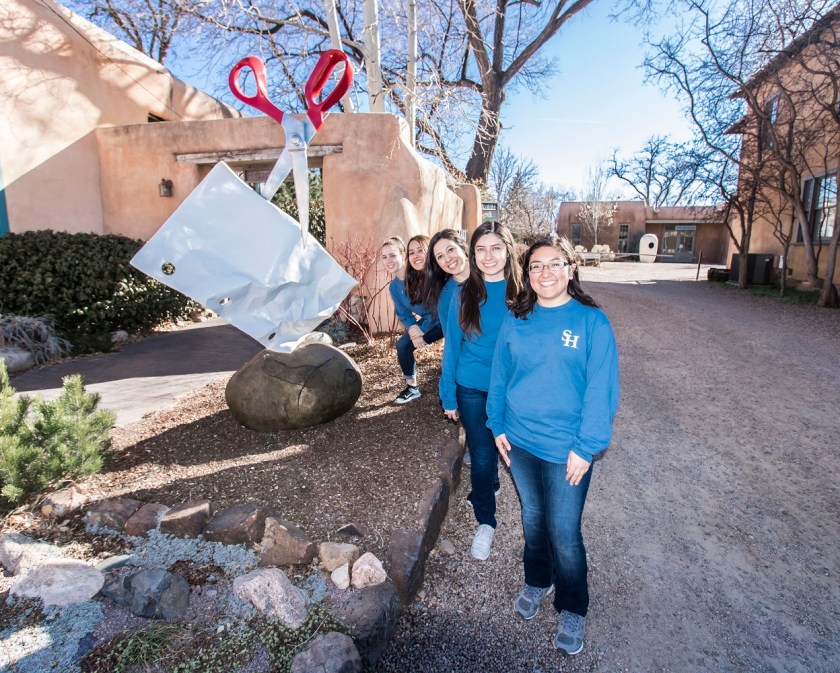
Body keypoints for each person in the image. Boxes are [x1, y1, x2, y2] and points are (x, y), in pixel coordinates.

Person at [486, 234, 619, 656]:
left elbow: (602, 389)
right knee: (532, 520)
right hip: (520, 441)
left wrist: (587, 446)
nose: (546, 272)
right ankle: (538, 581)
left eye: (555, 263)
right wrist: (496, 423)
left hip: (568, 448)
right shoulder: (516, 318)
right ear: (527, 275)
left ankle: (573, 605)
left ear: (571, 269)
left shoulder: (591, 322)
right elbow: (500, 374)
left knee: (564, 531)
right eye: (537, 266)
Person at [439, 221, 522, 560]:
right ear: (473, 255)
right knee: (484, 459)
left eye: (495, 248)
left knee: (522, 458)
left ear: (508, 250)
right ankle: (486, 521)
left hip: (515, 391)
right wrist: (448, 395)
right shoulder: (463, 294)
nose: (488, 256)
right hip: (472, 388)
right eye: (481, 250)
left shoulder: (524, 292)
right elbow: (452, 349)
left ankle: (540, 530)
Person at [383, 235, 443, 404]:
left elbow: (436, 308)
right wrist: (412, 329)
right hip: (429, 322)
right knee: (402, 345)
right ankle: (412, 388)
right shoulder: (394, 286)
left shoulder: (421, 274)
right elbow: (403, 314)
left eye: (393, 255)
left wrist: (420, 331)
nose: (388, 260)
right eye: (384, 257)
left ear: (403, 255)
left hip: (445, 321)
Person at [424, 229, 470, 333]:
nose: (447, 259)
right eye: (440, 256)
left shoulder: (489, 274)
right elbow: (450, 337)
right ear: (437, 264)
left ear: (462, 247)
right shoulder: (446, 296)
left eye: (450, 250)